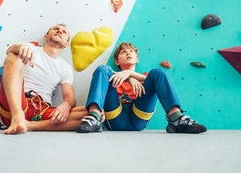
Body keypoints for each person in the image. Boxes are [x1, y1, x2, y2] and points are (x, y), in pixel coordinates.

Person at [75, 42, 207, 133]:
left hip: (139, 116)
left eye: (131, 51)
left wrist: (130, 74)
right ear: (117, 61)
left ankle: (176, 119)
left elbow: (153, 80)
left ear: (137, 59)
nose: (128, 53)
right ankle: (94, 117)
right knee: (102, 69)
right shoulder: (111, 75)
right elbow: (102, 89)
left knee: (158, 72)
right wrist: (128, 76)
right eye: (123, 52)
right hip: (115, 117)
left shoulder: (146, 77)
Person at [0, 24, 87, 134]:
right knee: (13, 56)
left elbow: (70, 98)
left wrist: (66, 105)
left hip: (42, 110)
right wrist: (19, 48)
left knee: (92, 113)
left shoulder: (66, 67)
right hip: (17, 103)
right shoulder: (31, 48)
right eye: (56, 29)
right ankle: (18, 116)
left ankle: (29, 125)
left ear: (67, 44)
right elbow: (9, 50)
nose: (59, 31)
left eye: (64, 32)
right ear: (46, 36)